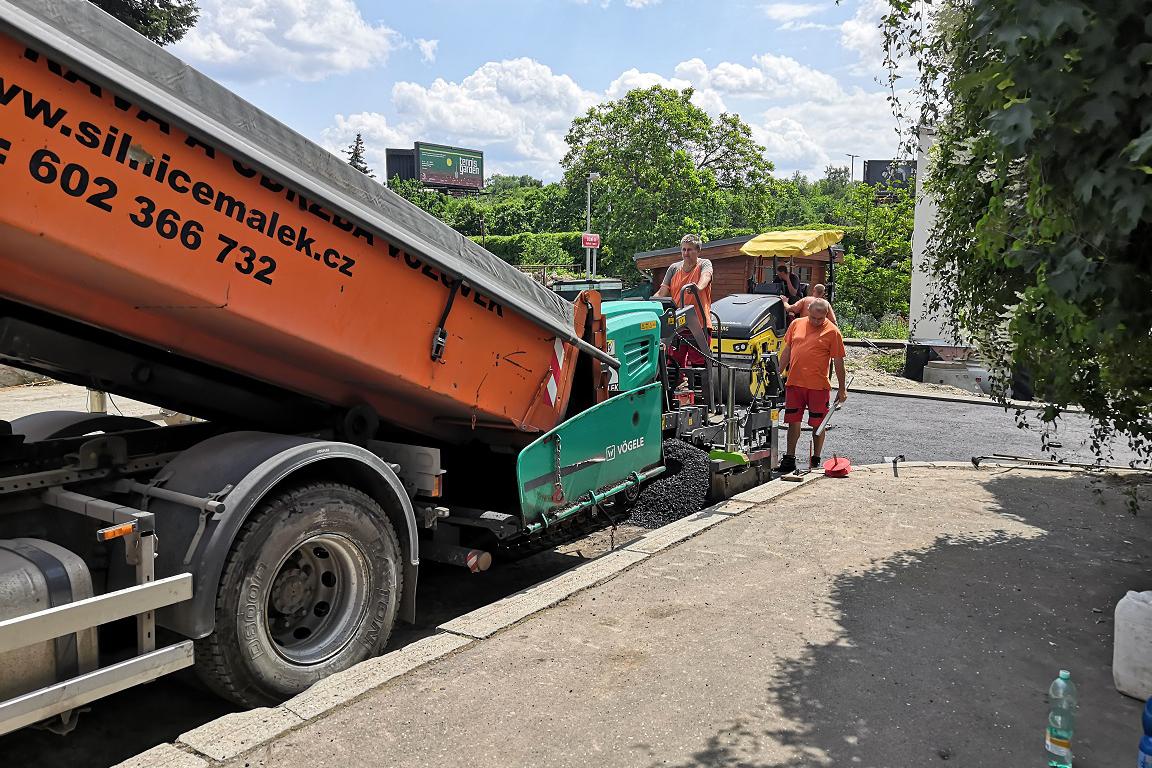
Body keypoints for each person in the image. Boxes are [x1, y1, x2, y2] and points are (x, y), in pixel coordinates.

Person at [775, 299, 847, 474]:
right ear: (808, 310)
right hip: (794, 383)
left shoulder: (832, 332)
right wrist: (778, 373)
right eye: (813, 317)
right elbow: (788, 351)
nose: (816, 322)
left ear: (826, 315)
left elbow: (838, 362)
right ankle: (789, 458)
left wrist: (842, 388)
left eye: (820, 319)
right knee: (793, 421)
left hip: (818, 387)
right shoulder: (796, 324)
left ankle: (816, 458)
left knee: (818, 424)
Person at [656, 234, 713, 370]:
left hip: (699, 324)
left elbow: (706, 276)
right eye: (683, 250)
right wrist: (650, 303)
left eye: (690, 250)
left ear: (698, 251)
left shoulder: (704, 264)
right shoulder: (674, 268)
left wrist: (698, 287)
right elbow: (662, 292)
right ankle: (678, 387)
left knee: (698, 363)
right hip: (677, 324)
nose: (686, 253)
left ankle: (699, 389)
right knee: (673, 361)